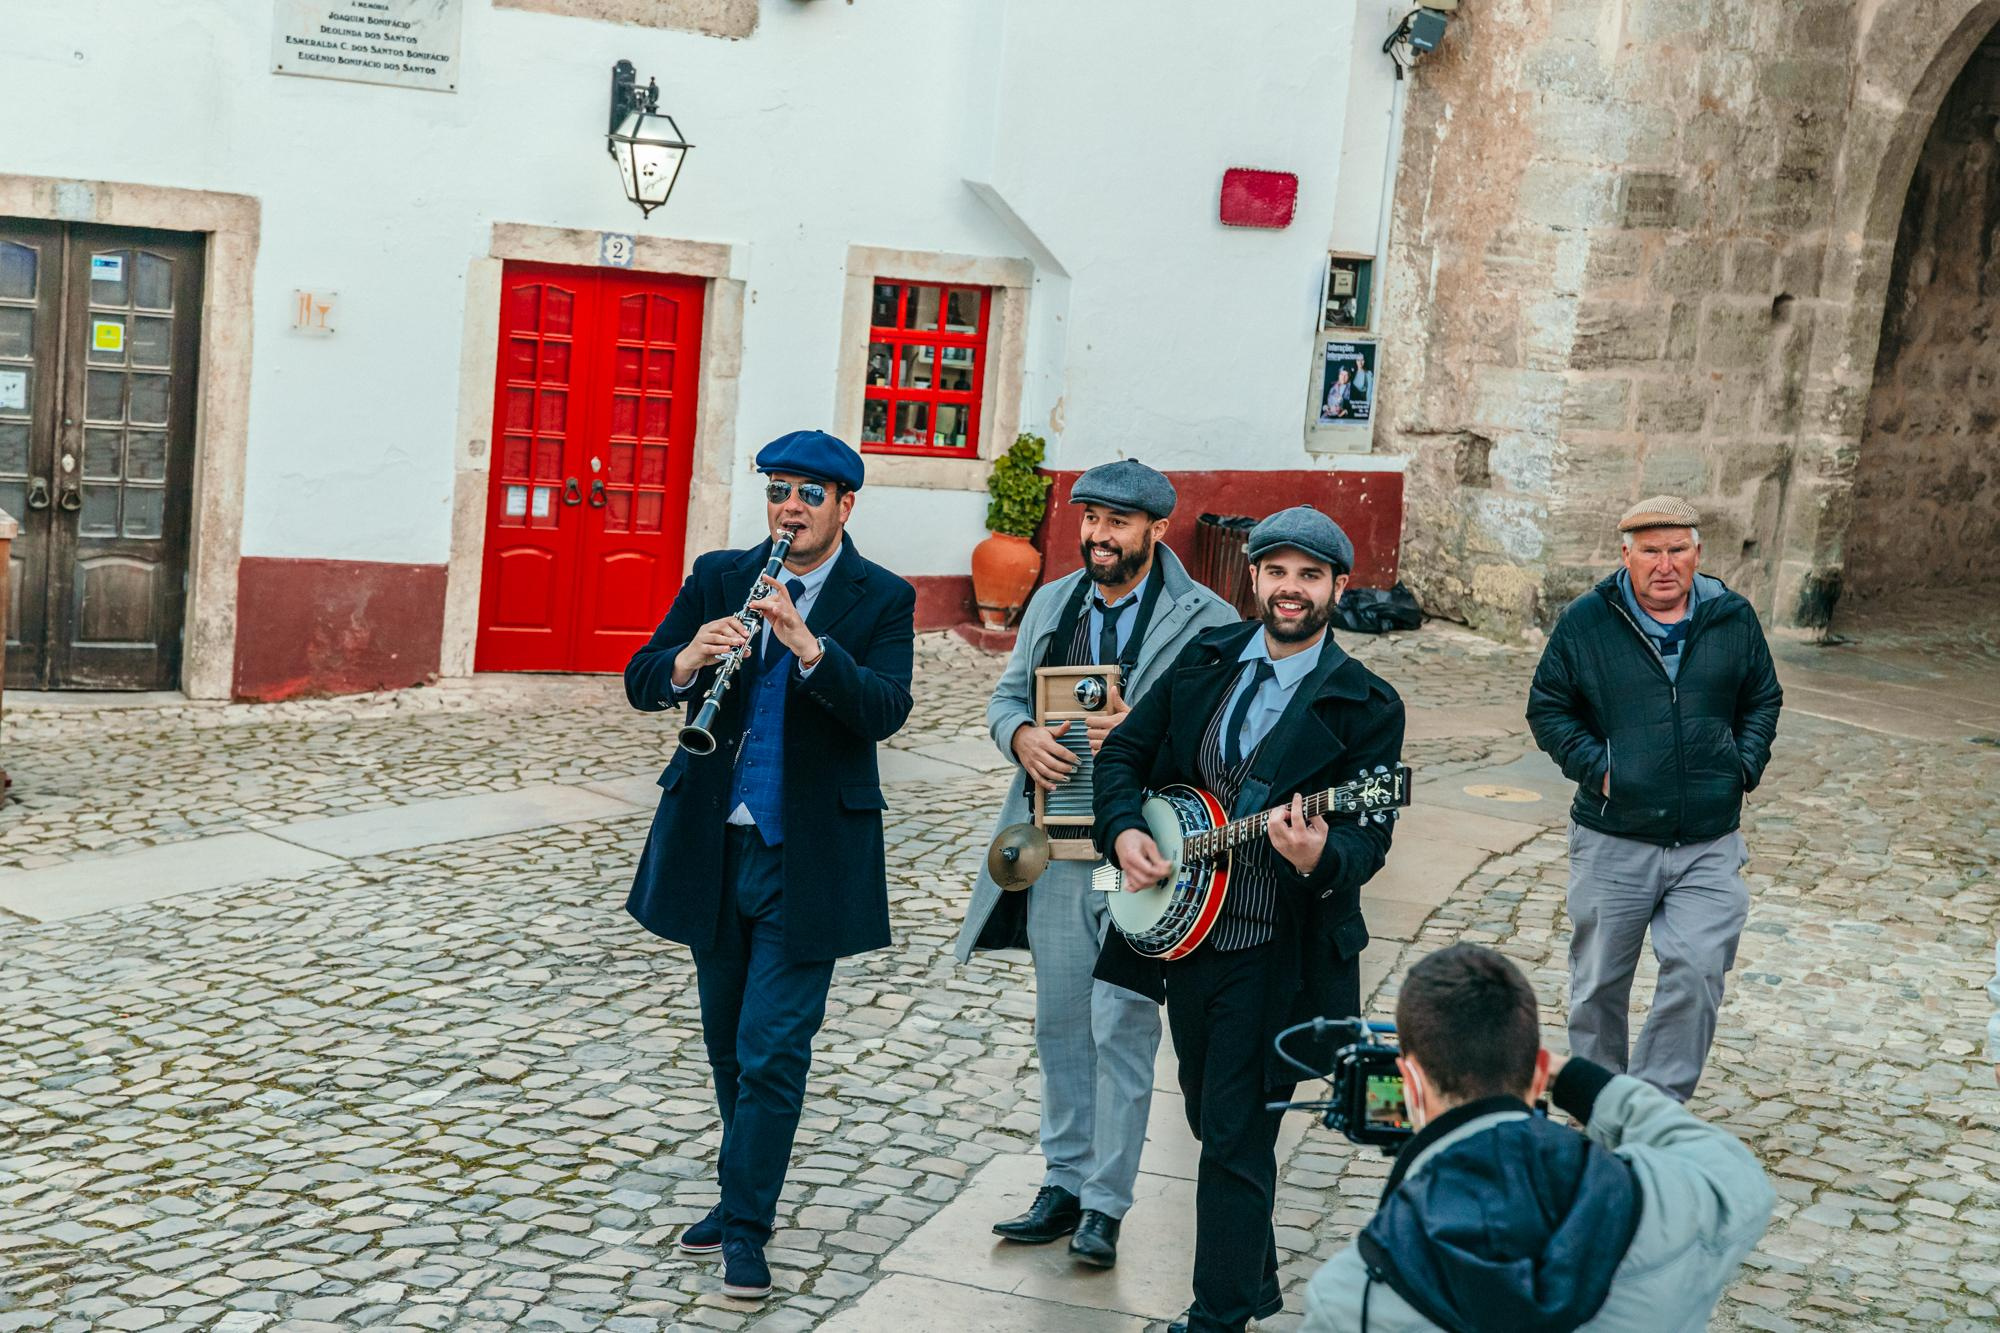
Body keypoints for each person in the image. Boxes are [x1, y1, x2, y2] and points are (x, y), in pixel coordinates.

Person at [1093, 505, 1404, 1333]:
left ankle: (1219, 1314)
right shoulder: (1206, 659)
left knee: (1234, 1131)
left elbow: (1367, 837)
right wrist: (1124, 828)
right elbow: (1123, 752)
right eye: (1278, 571)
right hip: (1186, 938)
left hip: (1276, 948)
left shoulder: (1365, 702)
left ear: (1339, 585)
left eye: (1311, 574)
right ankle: (1253, 1275)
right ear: (1254, 578)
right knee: (1209, 1113)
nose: (1291, 588)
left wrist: (1316, 857)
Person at [624, 430, 917, 1301]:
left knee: (773, 1049)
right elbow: (643, 677)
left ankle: (747, 1228)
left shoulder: (881, 597)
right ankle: (739, 1187)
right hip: (716, 849)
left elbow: (886, 709)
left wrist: (809, 646)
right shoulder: (722, 574)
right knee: (727, 1047)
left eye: (809, 495)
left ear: (845, 505)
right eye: (779, 492)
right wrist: (688, 658)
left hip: (810, 859)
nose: (791, 509)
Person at [956, 460, 1238, 1269]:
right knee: (1059, 1023)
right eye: (1089, 519)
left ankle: (1106, 1203)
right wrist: (1021, 736)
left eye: (1116, 522)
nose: (1098, 535)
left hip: (1141, 855)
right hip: (1058, 849)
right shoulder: (1052, 599)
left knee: (1121, 1024)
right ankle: (1063, 1178)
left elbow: (1222, 741)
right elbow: (1006, 698)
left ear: (1155, 528)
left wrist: (1145, 740)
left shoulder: (1208, 617)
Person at [1302, 943, 1775, 1332]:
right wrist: (1577, 1082)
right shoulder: (1676, 1203)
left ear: (1409, 1082)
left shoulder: (1349, 1297)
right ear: (1537, 1072)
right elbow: (1731, 1168)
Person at [1526, 495, 1783, 1103]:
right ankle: (1598, 1105)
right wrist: (1602, 771)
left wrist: (1740, 767)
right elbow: (1548, 707)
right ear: (1626, 554)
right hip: (1614, 839)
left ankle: (1653, 1108)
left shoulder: (1732, 617)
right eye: (1650, 551)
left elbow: (1762, 698)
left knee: (1697, 972)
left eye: (1676, 550)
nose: (1663, 565)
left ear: (1698, 554)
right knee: (1597, 987)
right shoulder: (1588, 621)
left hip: (1707, 840)